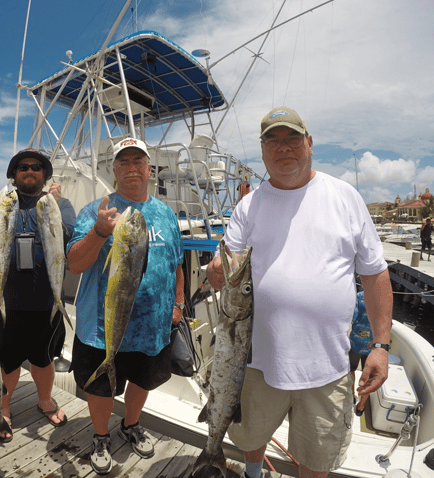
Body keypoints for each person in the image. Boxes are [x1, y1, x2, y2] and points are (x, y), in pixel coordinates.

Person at [207, 107, 393, 478]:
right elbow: (226, 266)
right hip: (256, 361)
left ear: (309, 143)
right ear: (262, 152)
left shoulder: (345, 196)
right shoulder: (248, 206)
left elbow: (375, 274)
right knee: (249, 438)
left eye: (292, 138)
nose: (283, 148)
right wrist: (217, 270)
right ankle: (253, 473)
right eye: (272, 140)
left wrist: (381, 345)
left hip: (327, 367)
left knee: (316, 459)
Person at [66, 138, 185, 475]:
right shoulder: (96, 210)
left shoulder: (165, 213)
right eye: (124, 162)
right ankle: (101, 436)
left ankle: (130, 425)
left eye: (139, 161)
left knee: (143, 382)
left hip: (153, 326)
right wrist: (101, 231)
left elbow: (177, 264)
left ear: (149, 169)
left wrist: (178, 302)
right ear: (114, 170)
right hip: (102, 327)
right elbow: (74, 264)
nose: (132, 168)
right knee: (101, 386)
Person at [0, 149, 76, 442]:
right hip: (6, 303)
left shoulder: (60, 203)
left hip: (46, 303)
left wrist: (52, 206)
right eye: (23, 167)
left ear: (45, 174)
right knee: (7, 361)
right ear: (13, 175)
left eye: (36, 167)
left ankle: (44, 400)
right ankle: (4, 407)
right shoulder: (0, 200)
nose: (29, 172)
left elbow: (70, 235)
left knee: (43, 359)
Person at [349, 291, 372, 416]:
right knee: (367, 376)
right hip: (372, 345)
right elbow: (387, 322)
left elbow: (353, 316)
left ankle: (352, 396)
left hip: (356, 342)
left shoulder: (359, 296)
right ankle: (361, 406)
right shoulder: (385, 296)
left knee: (351, 368)